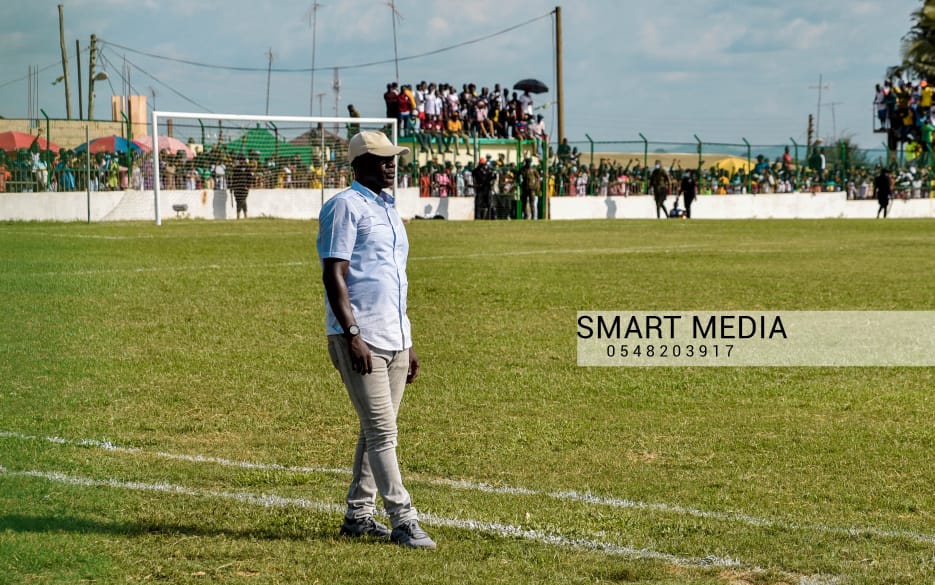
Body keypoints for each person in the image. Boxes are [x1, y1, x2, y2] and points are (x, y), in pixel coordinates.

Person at [316, 130, 436, 550]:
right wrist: (352, 335)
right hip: (359, 338)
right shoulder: (345, 206)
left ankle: (358, 517)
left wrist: (408, 341)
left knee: (377, 432)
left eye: (393, 158)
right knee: (383, 432)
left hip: (394, 338)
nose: (391, 164)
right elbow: (335, 274)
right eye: (383, 158)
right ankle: (403, 518)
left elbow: (393, 280)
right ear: (360, 163)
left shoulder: (388, 209)